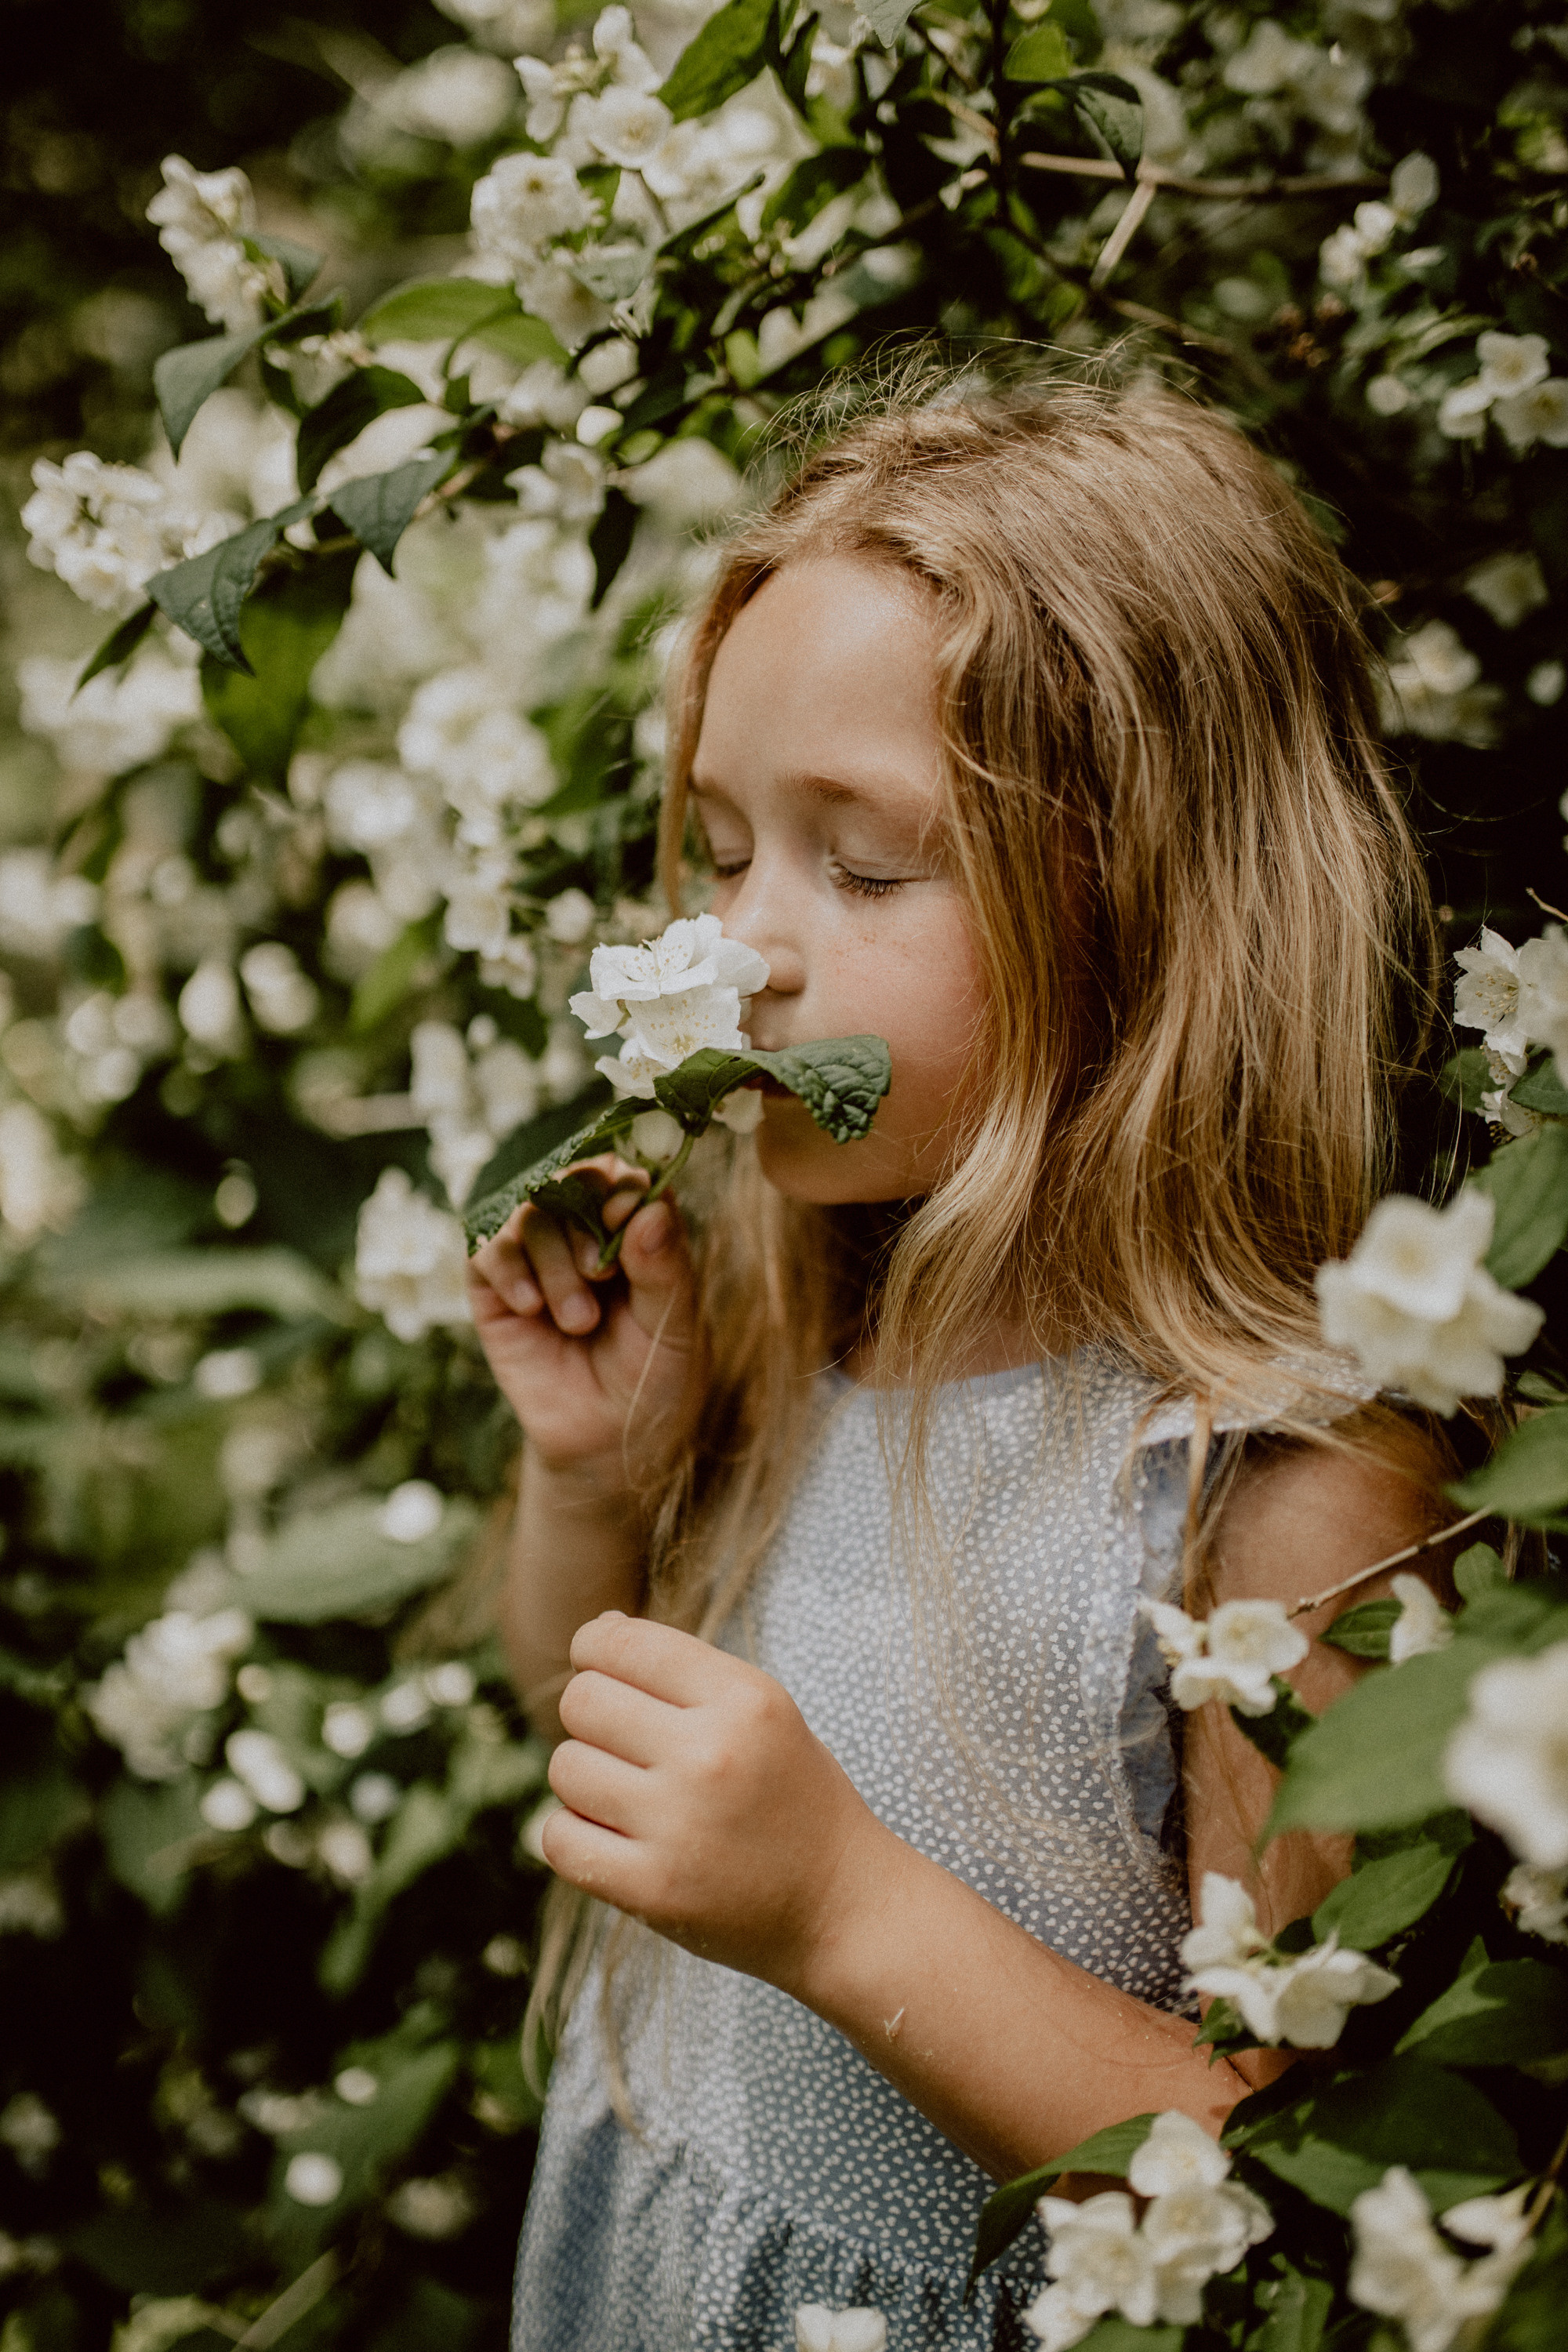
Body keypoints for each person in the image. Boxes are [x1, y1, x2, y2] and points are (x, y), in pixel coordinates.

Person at [468, 376, 1457, 2350]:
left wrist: (841, 1909)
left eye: (863, 868)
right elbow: (593, 1747)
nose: (744, 950)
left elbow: (1290, 2202)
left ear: (1153, 902)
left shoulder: (1277, 1488)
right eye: (722, 851)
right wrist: (590, 1482)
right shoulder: (808, 1319)